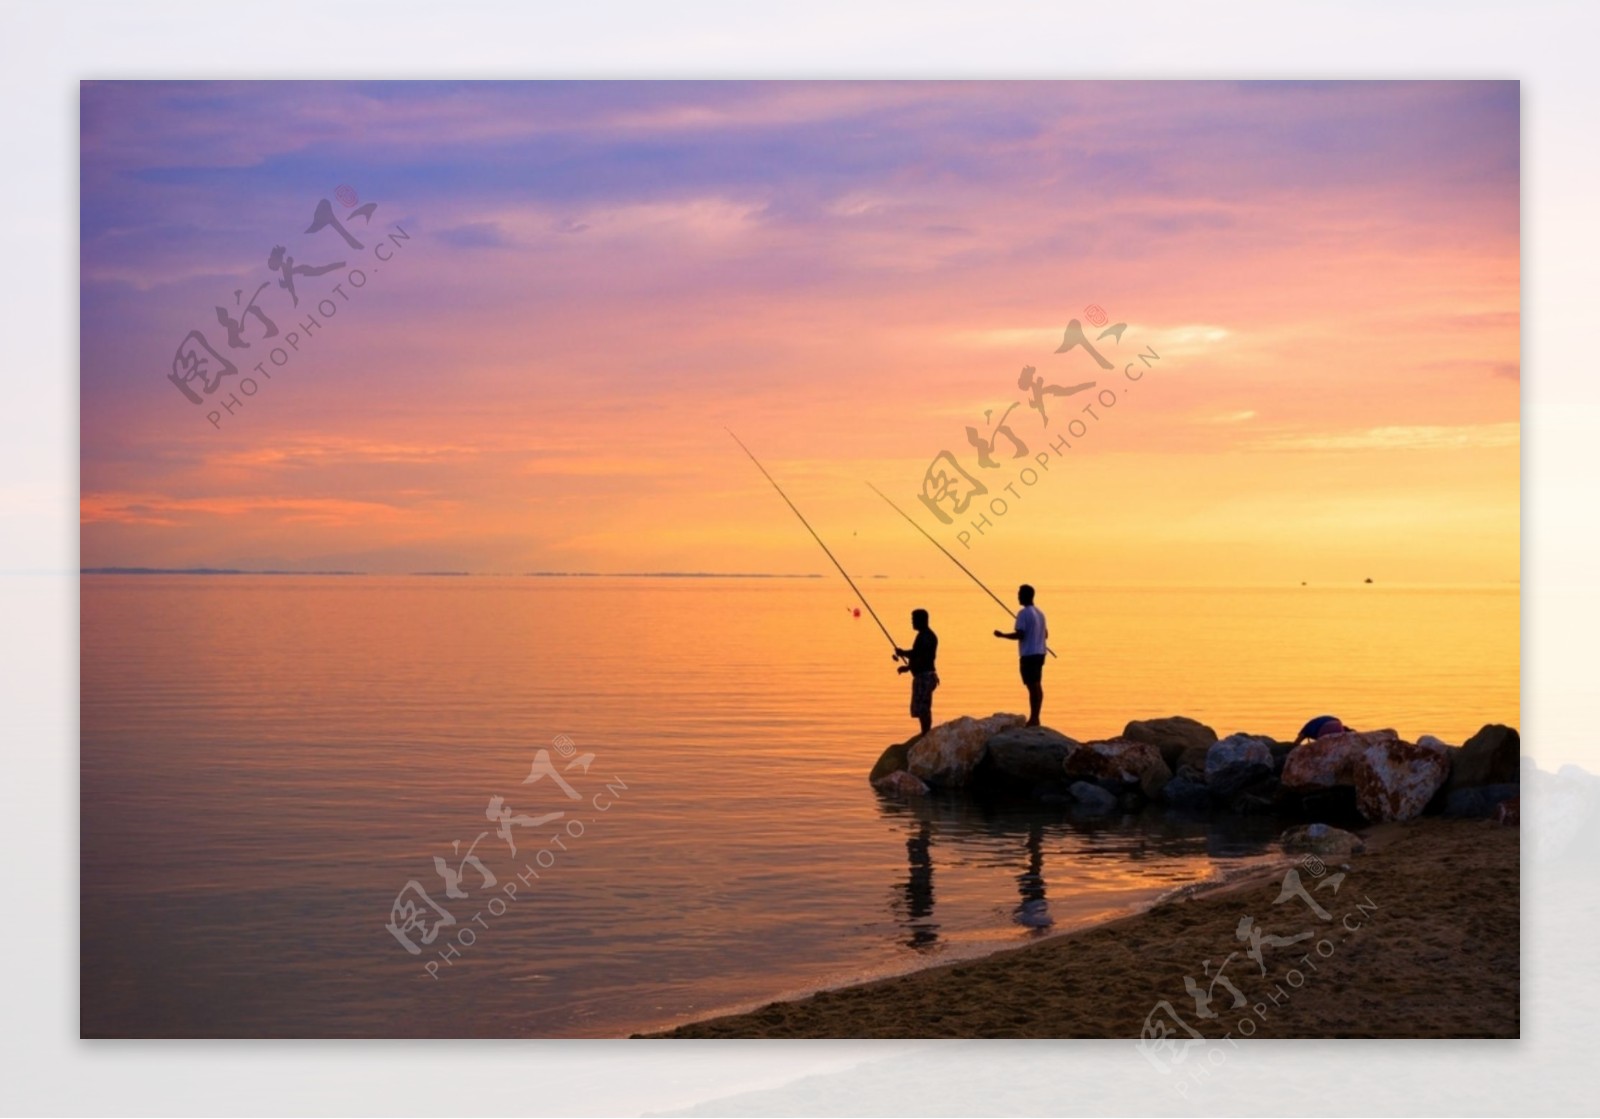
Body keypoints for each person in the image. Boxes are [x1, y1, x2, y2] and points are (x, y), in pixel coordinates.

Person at [994, 584, 1047, 727]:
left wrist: (1002, 635)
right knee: (1037, 686)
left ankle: (1034, 719)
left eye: (1019, 594)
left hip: (1029, 654)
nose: (1018, 596)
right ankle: (1036, 717)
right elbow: (1046, 634)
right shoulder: (1040, 613)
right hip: (1040, 653)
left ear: (1026, 595)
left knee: (1032, 687)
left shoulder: (1023, 614)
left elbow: (1020, 634)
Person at [895, 608, 939, 735]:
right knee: (920, 708)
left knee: (923, 708)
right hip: (923, 676)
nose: (912, 622)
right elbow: (919, 657)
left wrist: (903, 652)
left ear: (921, 620)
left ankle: (926, 733)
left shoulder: (926, 636)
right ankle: (924, 732)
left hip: (925, 677)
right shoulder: (923, 635)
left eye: (914, 620)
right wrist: (908, 668)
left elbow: (919, 655)